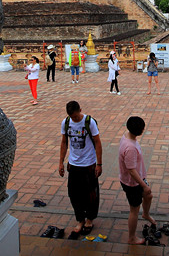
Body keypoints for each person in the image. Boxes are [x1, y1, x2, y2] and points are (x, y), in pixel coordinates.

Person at [59, 101, 102, 237]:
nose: (74, 119)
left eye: (76, 117)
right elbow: (64, 142)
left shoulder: (89, 122)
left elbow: (97, 142)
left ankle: (90, 219)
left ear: (80, 111)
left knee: (91, 194)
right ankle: (80, 219)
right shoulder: (66, 123)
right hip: (74, 164)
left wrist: (99, 164)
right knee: (73, 193)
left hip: (89, 164)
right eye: (72, 117)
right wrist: (61, 162)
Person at [119, 116, 154, 245]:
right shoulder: (130, 148)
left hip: (137, 178)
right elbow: (131, 171)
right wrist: (143, 185)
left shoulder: (127, 136)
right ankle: (132, 237)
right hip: (132, 183)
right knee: (134, 210)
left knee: (148, 195)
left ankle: (146, 214)